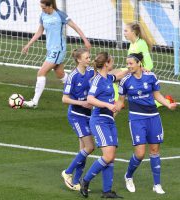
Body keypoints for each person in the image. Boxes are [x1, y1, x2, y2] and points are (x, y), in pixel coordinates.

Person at [116, 53, 177, 194]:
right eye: (127, 64)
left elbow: (157, 95)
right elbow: (120, 101)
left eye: (131, 63)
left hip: (153, 117)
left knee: (155, 151)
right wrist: (112, 115)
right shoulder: (125, 81)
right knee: (140, 154)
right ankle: (128, 176)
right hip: (137, 118)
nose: (129, 66)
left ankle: (157, 185)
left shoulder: (151, 77)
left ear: (139, 63)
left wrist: (168, 105)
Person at [22, 0, 91, 108]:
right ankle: (83, 90)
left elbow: (75, 27)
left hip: (58, 49)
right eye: (41, 7)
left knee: (41, 72)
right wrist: (28, 44)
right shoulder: (43, 15)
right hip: (50, 49)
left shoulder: (60, 15)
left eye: (44, 7)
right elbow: (39, 31)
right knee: (60, 74)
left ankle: (34, 102)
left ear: (50, 6)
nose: (42, 9)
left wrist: (85, 40)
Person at [79, 52, 128, 199]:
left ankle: (107, 191)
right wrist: (108, 104)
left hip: (109, 121)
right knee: (108, 155)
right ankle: (85, 180)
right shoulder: (97, 80)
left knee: (111, 157)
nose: (113, 63)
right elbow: (90, 99)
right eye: (111, 61)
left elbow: (119, 75)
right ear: (106, 63)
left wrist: (135, 68)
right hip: (99, 120)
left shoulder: (108, 78)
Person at [61, 48, 95, 191]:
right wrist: (82, 103)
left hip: (88, 114)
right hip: (76, 115)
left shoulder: (90, 72)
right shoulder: (72, 77)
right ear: (79, 60)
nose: (89, 59)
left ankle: (76, 182)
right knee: (89, 147)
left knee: (83, 149)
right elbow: (64, 99)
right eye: (86, 58)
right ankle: (67, 172)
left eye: (89, 57)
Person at [113, 21, 154, 102]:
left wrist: (145, 70)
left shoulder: (141, 43)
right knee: (109, 76)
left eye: (126, 31)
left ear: (133, 32)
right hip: (130, 70)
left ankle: (118, 100)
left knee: (110, 77)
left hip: (137, 72)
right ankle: (117, 98)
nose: (124, 33)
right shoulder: (132, 44)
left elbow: (149, 63)